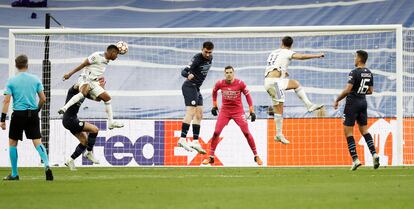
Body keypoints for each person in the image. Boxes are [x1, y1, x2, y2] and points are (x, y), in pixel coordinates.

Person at [1, 54, 53, 181]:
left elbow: (6, 101)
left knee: (13, 143)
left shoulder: (11, 81)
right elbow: (43, 98)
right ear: (27, 65)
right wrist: (37, 110)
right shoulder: (35, 79)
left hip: (18, 115)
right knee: (37, 142)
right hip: (32, 114)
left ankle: (14, 174)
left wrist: (2, 119)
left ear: (16, 65)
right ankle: (47, 164)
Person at [265, 36, 324, 144]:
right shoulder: (287, 52)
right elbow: (301, 56)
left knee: (295, 84)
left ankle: (309, 105)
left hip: (271, 82)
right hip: (275, 84)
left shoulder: (273, 53)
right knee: (279, 108)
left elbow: (274, 66)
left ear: (281, 42)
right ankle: (278, 134)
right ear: (291, 46)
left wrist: (283, 72)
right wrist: (317, 55)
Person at [202, 66, 262, 165]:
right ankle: (211, 157)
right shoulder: (220, 83)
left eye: (230, 72)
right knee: (216, 132)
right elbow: (214, 92)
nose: (229, 74)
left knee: (246, 133)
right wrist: (214, 106)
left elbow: (248, 95)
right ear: (224, 74)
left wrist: (251, 111)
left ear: (233, 73)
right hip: (225, 111)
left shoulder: (240, 83)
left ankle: (256, 156)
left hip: (238, 112)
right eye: (227, 72)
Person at [334, 50, 380, 171]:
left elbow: (348, 89)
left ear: (359, 59)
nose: (354, 59)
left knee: (348, 133)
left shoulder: (354, 72)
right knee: (364, 130)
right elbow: (370, 91)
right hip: (363, 103)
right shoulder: (369, 73)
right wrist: (360, 91)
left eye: (355, 57)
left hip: (352, 103)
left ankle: (355, 160)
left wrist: (337, 99)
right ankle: (374, 154)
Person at [58, 44, 123, 130]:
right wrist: (69, 74)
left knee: (107, 98)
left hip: (94, 82)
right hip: (85, 78)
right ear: (112, 52)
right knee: (84, 92)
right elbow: (83, 65)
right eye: (116, 54)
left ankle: (111, 123)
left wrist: (101, 87)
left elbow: (98, 99)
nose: (117, 56)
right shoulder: (96, 56)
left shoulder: (107, 59)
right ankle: (64, 108)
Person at [177, 41, 214, 154]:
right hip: (189, 86)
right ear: (202, 49)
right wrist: (188, 75)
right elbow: (183, 71)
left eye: (210, 52)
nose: (207, 54)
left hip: (196, 88)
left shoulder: (210, 58)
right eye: (206, 52)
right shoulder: (197, 58)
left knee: (199, 114)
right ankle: (182, 139)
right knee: (191, 111)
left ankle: (195, 141)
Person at [63, 84, 103, 171]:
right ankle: (89, 153)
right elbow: (77, 85)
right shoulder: (73, 90)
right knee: (94, 130)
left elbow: (98, 99)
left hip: (70, 120)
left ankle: (70, 160)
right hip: (70, 120)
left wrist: (101, 88)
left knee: (84, 141)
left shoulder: (84, 93)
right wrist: (85, 83)